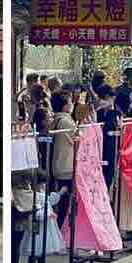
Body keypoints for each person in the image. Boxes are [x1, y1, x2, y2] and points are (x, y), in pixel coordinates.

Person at [48, 93, 77, 228]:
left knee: (60, 201)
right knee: (65, 202)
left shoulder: (54, 120)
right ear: (65, 106)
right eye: (70, 102)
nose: (72, 104)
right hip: (66, 166)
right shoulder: (66, 122)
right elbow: (77, 138)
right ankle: (60, 230)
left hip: (57, 164)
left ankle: (58, 229)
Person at [96, 84, 120, 189]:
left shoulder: (116, 113)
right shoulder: (98, 112)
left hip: (111, 148)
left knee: (109, 174)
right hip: (98, 148)